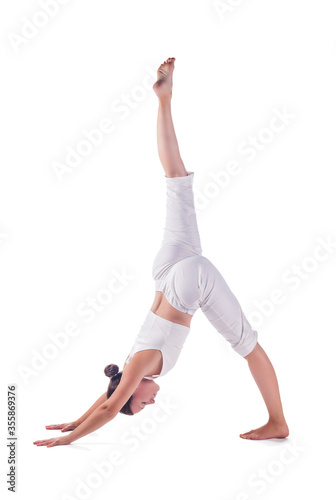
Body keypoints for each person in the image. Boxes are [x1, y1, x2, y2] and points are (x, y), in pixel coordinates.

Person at [33, 58, 289, 448]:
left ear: (131, 391)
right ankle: (164, 100)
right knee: (175, 180)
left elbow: (108, 406)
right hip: (166, 269)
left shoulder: (138, 366)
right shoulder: (132, 361)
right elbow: (107, 398)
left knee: (248, 346)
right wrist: (75, 420)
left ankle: (277, 421)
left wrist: (69, 440)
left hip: (188, 283)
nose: (149, 403)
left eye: (140, 405)